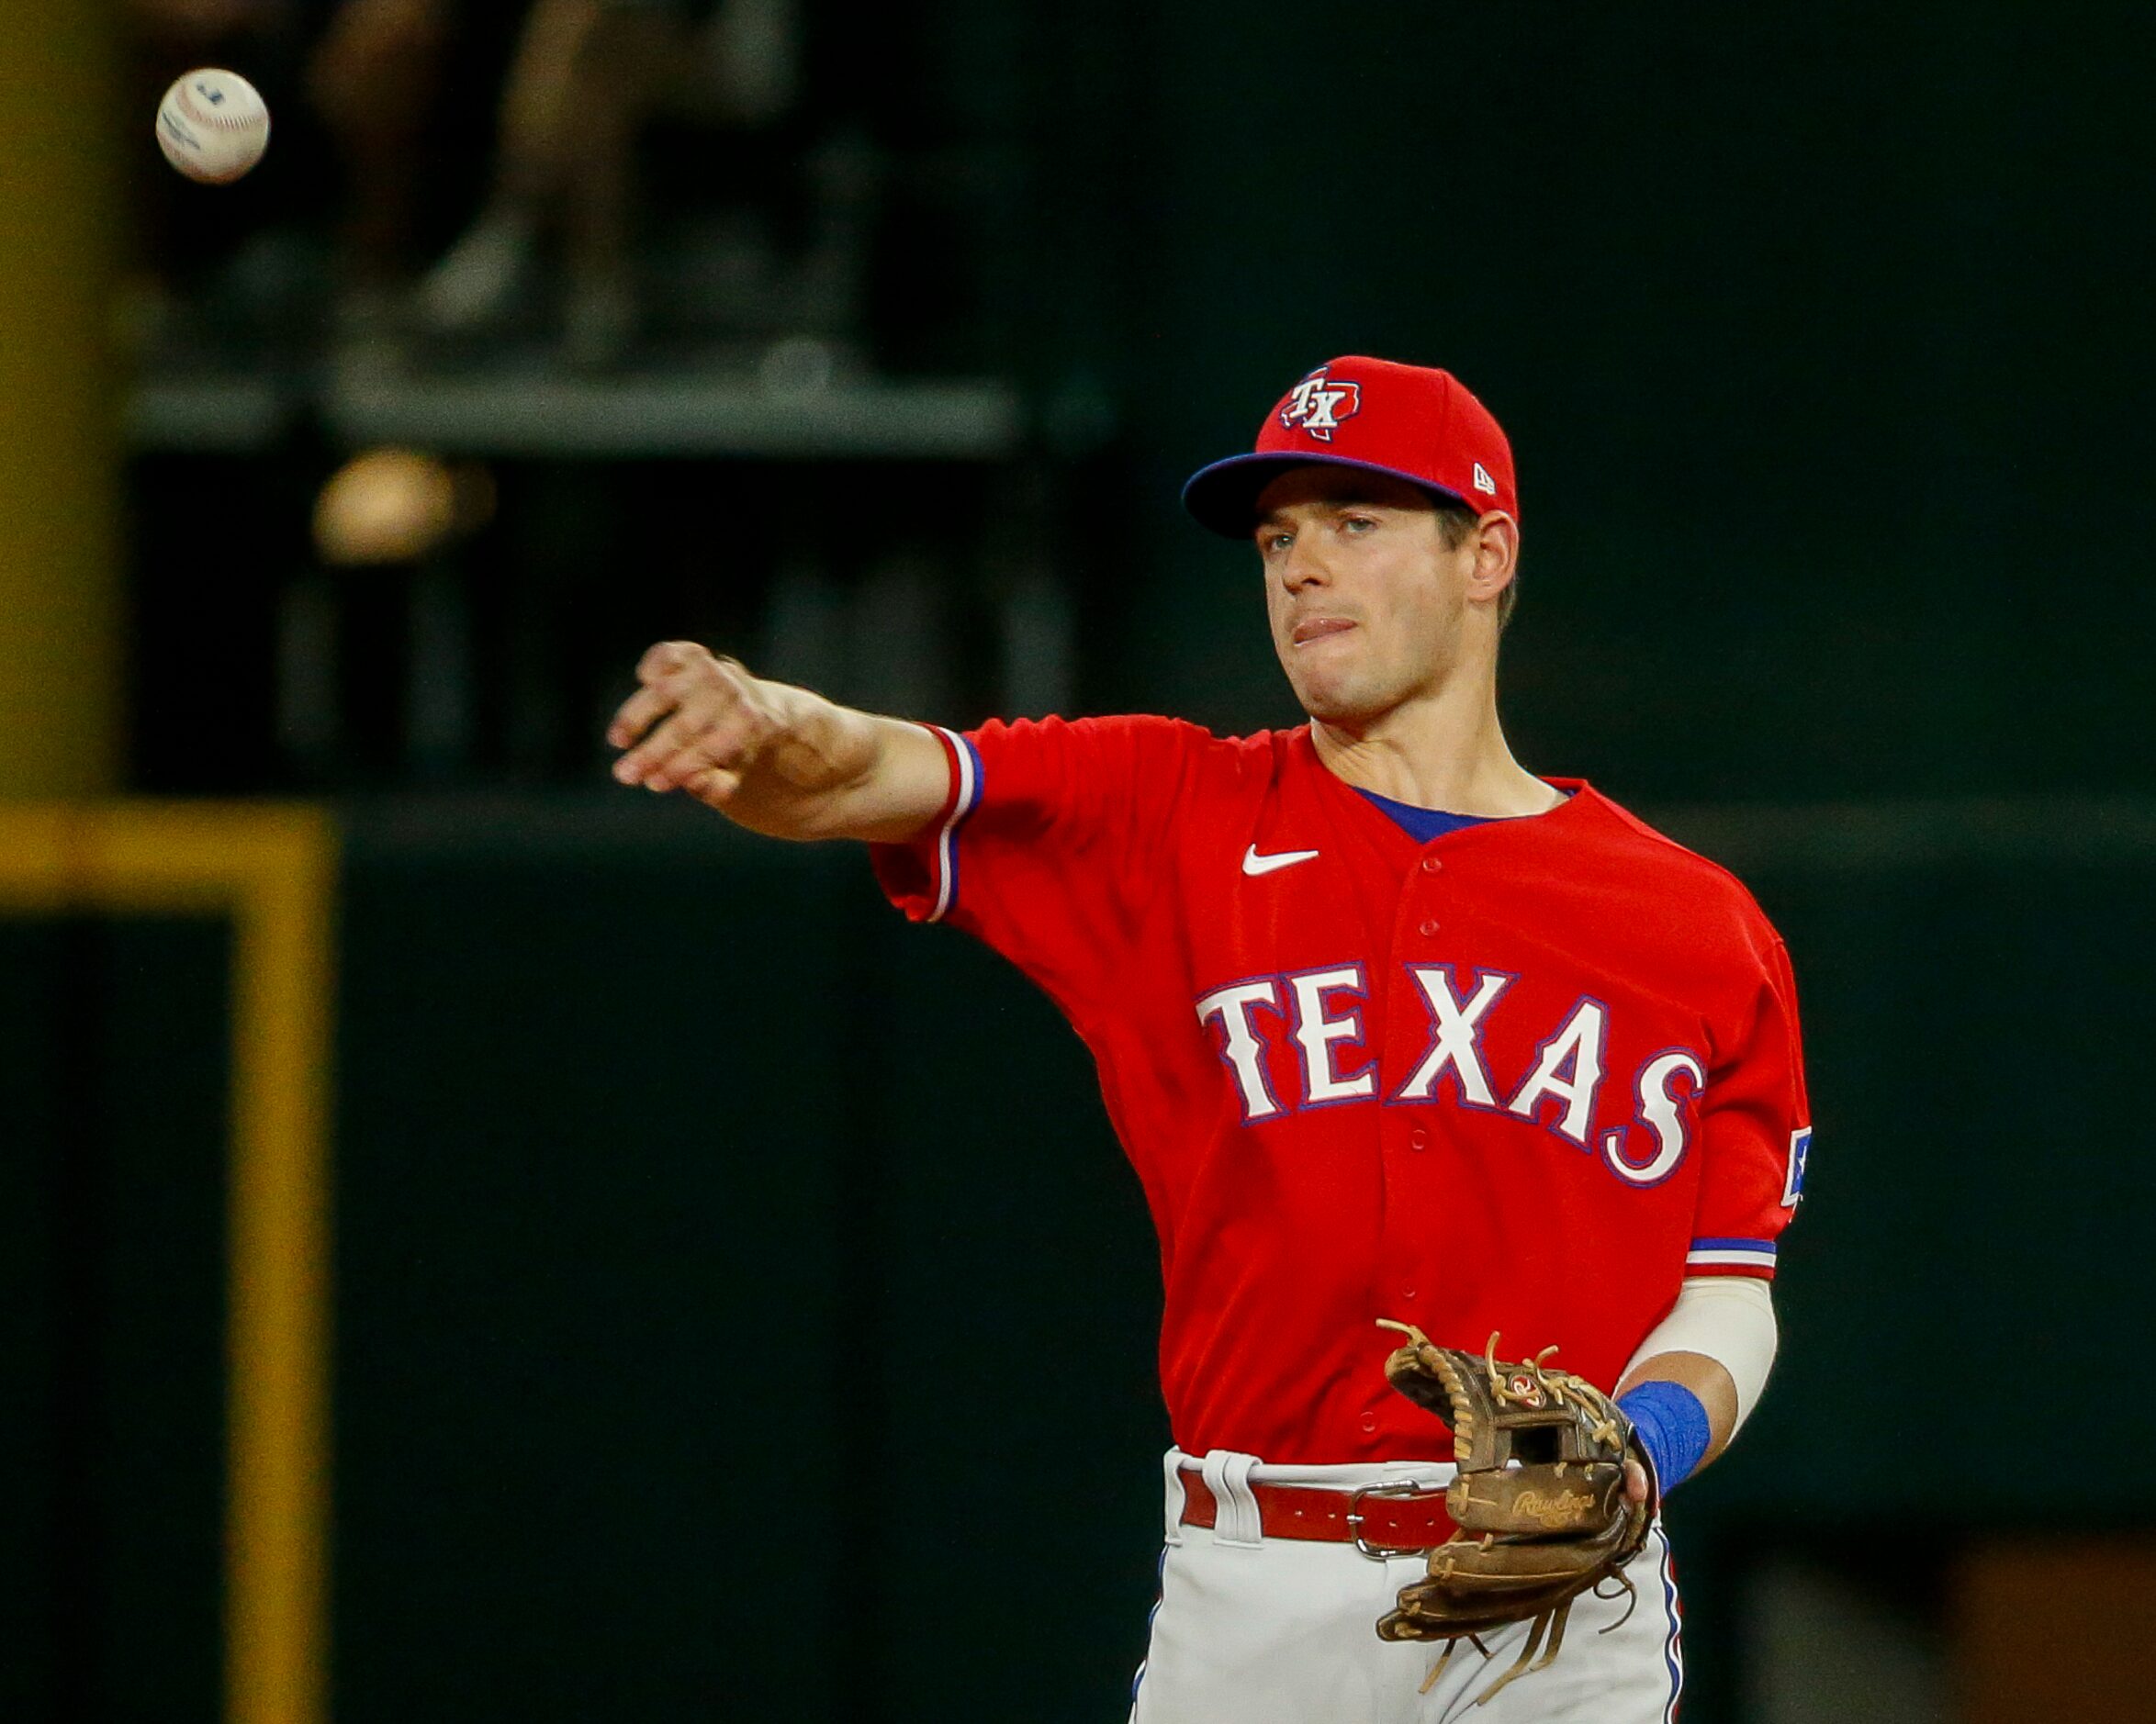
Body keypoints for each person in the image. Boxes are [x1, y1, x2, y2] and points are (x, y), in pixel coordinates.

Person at [606, 355, 1809, 1722]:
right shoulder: (1163, 810)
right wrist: (768, 721)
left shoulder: (1695, 926)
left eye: (1355, 522)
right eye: (1278, 535)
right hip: (1260, 1584)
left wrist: (1640, 1448)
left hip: (1558, 1610)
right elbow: (877, 768)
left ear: (1486, 554)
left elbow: (1729, 1289)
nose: (1300, 566)